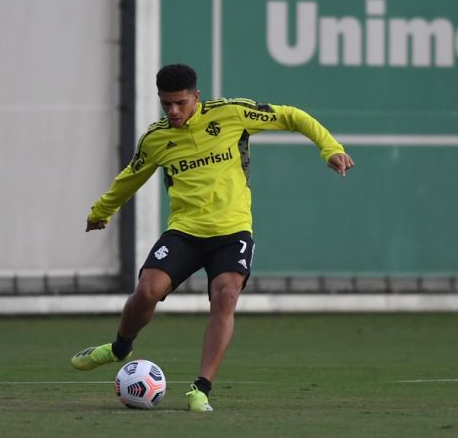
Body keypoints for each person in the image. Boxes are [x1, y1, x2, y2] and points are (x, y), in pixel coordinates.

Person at [70, 63, 354, 411]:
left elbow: (293, 116)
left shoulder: (232, 114)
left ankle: (200, 388)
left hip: (232, 230)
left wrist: (331, 148)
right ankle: (118, 348)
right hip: (185, 232)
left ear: (197, 97)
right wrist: (101, 211)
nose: (173, 111)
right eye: (166, 104)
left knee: (226, 295)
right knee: (147, 291)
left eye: (180, 103)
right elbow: (131, 177)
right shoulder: (156, 138)